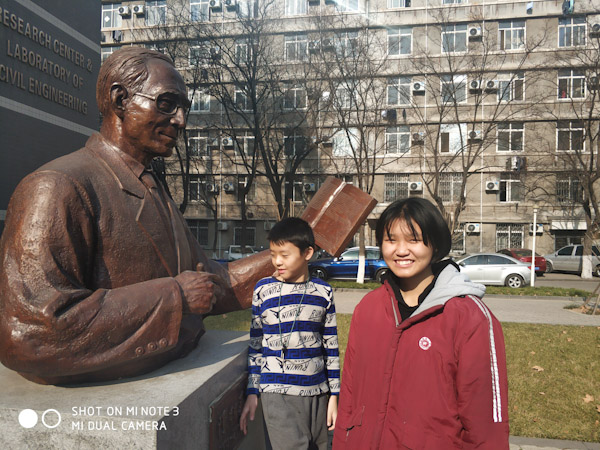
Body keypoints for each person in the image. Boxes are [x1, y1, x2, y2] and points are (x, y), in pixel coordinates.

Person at [0, 47, 244, 385]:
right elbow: (29, 334)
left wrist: (303, 242)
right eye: (166, 103)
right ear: (120, 100)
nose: (180, 121)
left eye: (183, 109)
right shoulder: (57, 186)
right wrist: (174, 297)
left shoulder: (153, 187)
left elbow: (208, 282)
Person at [333, 198, 509, 449]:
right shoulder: (368, 309)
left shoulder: (469, 316)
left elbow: (486, 425)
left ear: (435, 244)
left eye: (413, 240)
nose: (401, 250)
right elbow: (350, 395)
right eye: (391, 239)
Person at [239, 217, 340, 450]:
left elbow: (331, 346)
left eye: (284, 255)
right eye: (273, 254)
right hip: (277, 393)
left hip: (318, 394)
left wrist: (334, 395)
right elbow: (256, 346)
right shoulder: (263, 290)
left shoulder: (323, 292)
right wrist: (252, 392)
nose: (277, 261)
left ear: (307, 253)